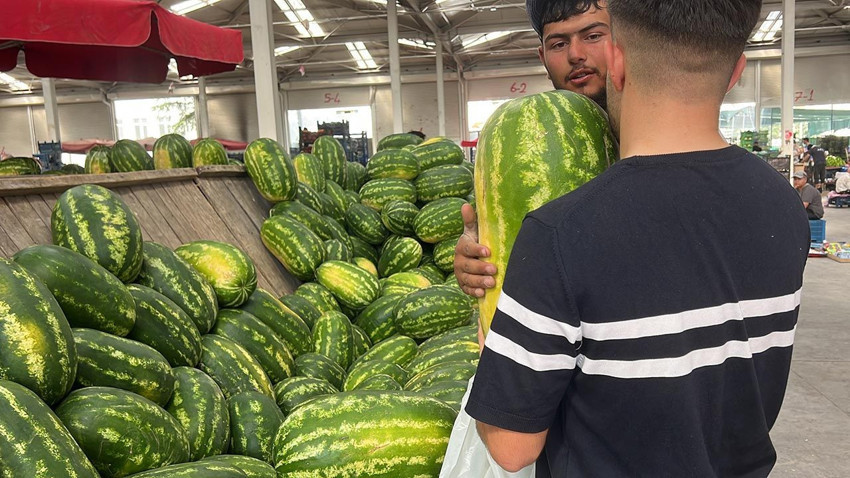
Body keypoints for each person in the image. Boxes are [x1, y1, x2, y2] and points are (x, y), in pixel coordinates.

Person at [465, 1, 810, 476]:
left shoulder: (559, 234)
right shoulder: (784, 204)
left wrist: (495, 338)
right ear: (735, 72)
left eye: (593, 36)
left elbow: (511, 448)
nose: (578, 54)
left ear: (619, 62)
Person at [455, 0, 612, 299]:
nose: (575, 54)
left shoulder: (655, 131)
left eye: (593, 36)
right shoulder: (519, 134)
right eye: (558, 43)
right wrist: (475, 260)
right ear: (542, 56)